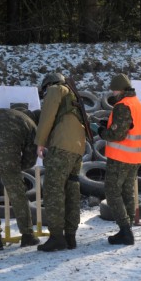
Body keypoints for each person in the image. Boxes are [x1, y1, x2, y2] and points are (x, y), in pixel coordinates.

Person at [92, 73, 141, 246]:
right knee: (127, 191)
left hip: (121, 157)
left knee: (112, 191)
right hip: (135, 156)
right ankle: (127, 228)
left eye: (114, 90)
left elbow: (117, 134)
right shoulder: (136, 104)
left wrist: (100, 132)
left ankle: (125, 230)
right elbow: (127, 127)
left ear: (120, 89)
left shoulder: (123, 106)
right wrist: (106, 124)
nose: (113, 93)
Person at [34, 73, 87, 252]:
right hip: (78, 148)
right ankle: (70, 236)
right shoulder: (73, 94)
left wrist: (40, 142)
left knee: (53, 190)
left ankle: (57, 237)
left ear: (48, 85)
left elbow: (47, 117)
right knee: (71, 190)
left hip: (62, 146)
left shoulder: (56, 90)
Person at [0, 103, 40, 250]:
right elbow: (30, 158)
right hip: (10, 162)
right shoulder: (32, 126)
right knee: (18, 198)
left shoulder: (1, 112)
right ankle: (28, 235)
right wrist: (18, 166)